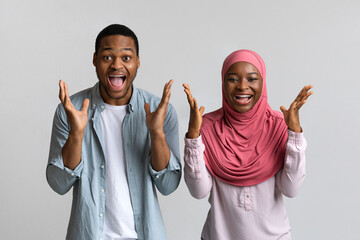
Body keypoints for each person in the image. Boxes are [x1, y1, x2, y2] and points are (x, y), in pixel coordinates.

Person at [46, 24, 181, 240]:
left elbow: (168, 185)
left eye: (126, 58)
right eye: (107, 57)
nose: (117, 65)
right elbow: (59, 183)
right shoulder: (71, 109)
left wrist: (156, 133)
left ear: (138, 61)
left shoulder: (160, 110)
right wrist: (76, 134)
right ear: (95, 60)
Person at [182, 49, 312, 240]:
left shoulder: (278, 125)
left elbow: (291, 189)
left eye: (252, 79)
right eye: (233, 79)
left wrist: (294, 134)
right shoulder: (207, 126)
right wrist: (194, 137)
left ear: (263, 82)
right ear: (223, 83)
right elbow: (199, 191)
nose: (242, 86)